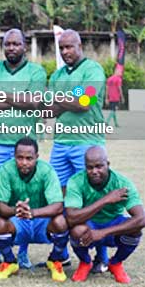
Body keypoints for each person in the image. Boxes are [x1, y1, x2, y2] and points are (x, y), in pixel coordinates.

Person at [0, 29, 47, 267]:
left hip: (26, 146)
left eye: (17, 44)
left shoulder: (36, 71)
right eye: (8, 44)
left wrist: (2, 95)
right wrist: (19, 97)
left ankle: (23, 250)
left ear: (24, 46)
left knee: (25, 198)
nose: (12, 48)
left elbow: (35, 102)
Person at [47, 29, 109, 272]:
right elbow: (49, 110)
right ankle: (61, 254)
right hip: (61, 144)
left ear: (79, 45)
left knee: (93, 199)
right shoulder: (57, 75)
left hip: (88, 143)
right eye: (62, 48)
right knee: (58, 199)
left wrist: (63, 100)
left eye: (69, 47)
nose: (65, 52)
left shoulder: (92, 70)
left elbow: (86, 103)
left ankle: (101, 256)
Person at [0, 137, 69, 281]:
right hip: (17, 220)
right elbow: (0, 206)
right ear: (14, 156)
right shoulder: (6, 169)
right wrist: (16, 210)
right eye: (20, 158)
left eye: (29, 158)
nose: (24, 162)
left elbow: (57, 206)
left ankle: (54, 260)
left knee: (61, 222)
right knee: (0, 223)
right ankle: (9, 262)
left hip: (41, 221)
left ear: (37, 157)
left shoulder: (47, 170)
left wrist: (33, 213)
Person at [66, 146, 144, 284]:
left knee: (135, 229)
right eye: (90, 167)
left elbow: (141, 218)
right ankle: (85, 262)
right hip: (88, 227)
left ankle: (116, 263)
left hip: (112, 227)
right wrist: (106, 199)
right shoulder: (76, 181)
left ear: (107, 164)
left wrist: (103, 232)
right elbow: (71, 217)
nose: (94, 171)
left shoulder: (122, 183)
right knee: (76, 229)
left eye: (99, 166)